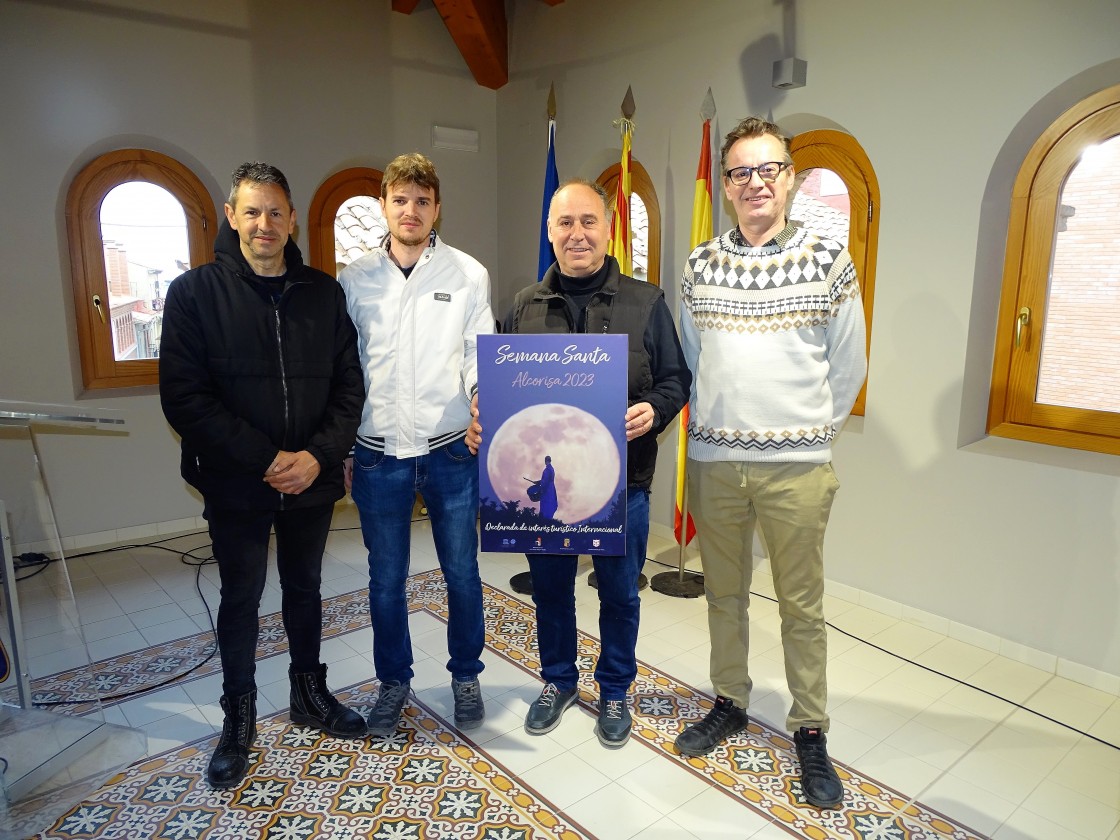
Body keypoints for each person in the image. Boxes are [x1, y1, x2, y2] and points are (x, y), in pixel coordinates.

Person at [674, 117, 866, 809]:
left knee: (800, 607)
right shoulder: (699, 266)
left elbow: (849, 367)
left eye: (768, 170)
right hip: (716, 464)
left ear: (789, 177)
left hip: (798, 469)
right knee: (723, 593)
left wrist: (805, 435)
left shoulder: (828, 260)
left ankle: (809, 730)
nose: (754, 183)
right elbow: (696, 365)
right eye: (740, 173)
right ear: (725, 187)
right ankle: (729, 699)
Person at [160, 162, 367, 789]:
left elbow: (349, 388)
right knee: (241, 598)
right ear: (231, 216)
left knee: (305, 590)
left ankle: (308, 695)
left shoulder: (322, 293)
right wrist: (265, 459)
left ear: (292, 218)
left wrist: (316, 458)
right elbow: (185, 398)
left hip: (310, 478)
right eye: (252, 212)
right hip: (236, 482)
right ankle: (239, 717)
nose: (264, 224)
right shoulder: (194, 294)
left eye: (276, 212)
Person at [467, 179, 690, 748]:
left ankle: (615, 689)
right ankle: (558, 681)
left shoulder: (648, 302)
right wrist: (483, 418)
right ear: (550, 232)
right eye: (564, 223)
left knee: (619, 593)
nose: (577, 234)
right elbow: (504, 387)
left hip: (623, 486)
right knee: (550, 590)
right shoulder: (523, 305)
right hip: (548, 497)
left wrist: (653, 410)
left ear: (609, 228)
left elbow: (676, 380)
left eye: (588, 221)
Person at [339, 152, 494, 737]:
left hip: (451, 451)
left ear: (437, 209)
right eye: (400, 200)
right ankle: (393, 682)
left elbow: (480, 354)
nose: (411, 211)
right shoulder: (354, 280)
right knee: (386, 580)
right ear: (384, 204)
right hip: (378, 454)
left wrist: (482, 402)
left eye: (422, 201)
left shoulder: (467, 275)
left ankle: (465, 675)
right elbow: (346, 368)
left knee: (461, 572)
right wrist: (346, 446)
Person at [536, 455, 558, 520]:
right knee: (549, 503)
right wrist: (538, 482)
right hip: (551, 488)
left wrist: (540, 485)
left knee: (546, 504)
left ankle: (545, 520)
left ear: (546, 461)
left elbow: (545, 481)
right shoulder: (551, 469)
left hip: (547, 489)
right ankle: (547, 519)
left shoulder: (547, 470)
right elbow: (545, 480)